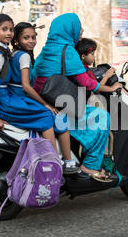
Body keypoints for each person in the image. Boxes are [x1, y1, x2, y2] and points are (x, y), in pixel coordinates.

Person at [0, 14, 78, 174]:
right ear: (17, 40)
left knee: (56, 117)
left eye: (33, 37)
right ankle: (58, 161)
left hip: (12, 97)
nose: (31, 41)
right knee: (51, 117)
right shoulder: (19, 56)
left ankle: (65, 160)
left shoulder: (10, 53)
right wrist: (45, 104)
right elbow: (26, 86)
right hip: (14, 98)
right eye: (26, 38)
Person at [33, 13, 121, 181]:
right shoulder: (69, 51)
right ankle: (90, 166)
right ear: (69, 29)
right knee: (101, 117)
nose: (81, 30)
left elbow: (34, 75)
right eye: (77, 27)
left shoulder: (46, 50)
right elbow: (86, 83)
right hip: (60, 103)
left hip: (44, 102)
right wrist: (107, 88)